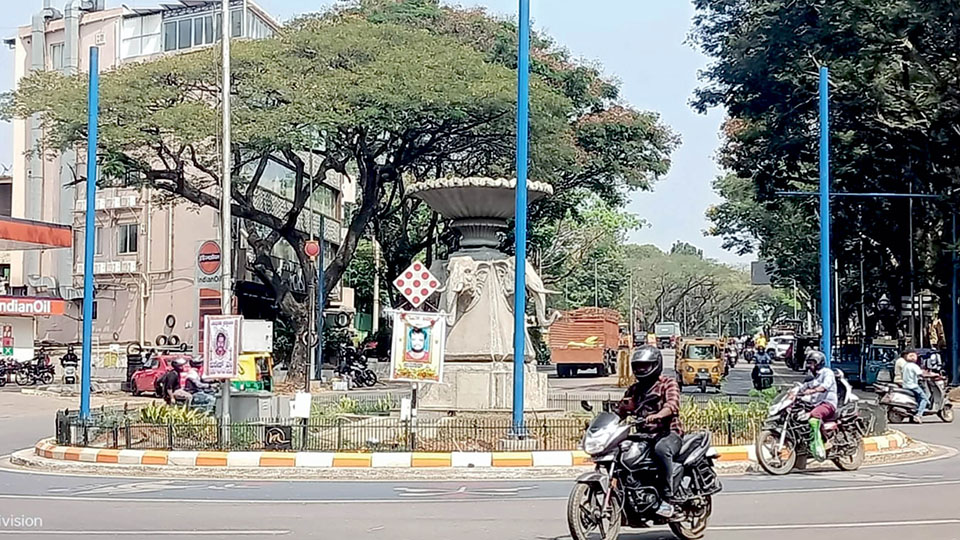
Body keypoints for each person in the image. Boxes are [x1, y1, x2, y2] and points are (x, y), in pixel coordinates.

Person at [616, 345, 683, 519]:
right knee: (622, 454)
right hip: (643, 436)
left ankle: (668, 498)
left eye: (645, 366)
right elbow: (621, 410)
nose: (641, 369)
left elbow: (672, 405)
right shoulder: (634, 389)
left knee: (661, 450)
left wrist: (659, 415)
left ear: (656, 365)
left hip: (668, 433)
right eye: (638, 366)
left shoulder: (668, 383)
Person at [796, 350, 837, 460]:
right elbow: (804, 386)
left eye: (812, 363)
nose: (810, 365)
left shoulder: (827, 373)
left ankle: (826, 441)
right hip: (815, 404)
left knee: (814, 415)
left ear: (819, 363)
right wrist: (793, 392)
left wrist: (812, 391)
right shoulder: (813, 377)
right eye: (809, 363)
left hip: (828, 403)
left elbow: (824, 387)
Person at [901, 352, 929, 423]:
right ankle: (918, 415)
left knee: (918, 399)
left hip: (905, 385)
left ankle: (913, 414)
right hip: (913, 386)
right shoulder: (914, 366)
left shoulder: (905, 365)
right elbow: (921, 374)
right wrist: (932, 375)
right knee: (924, 399)